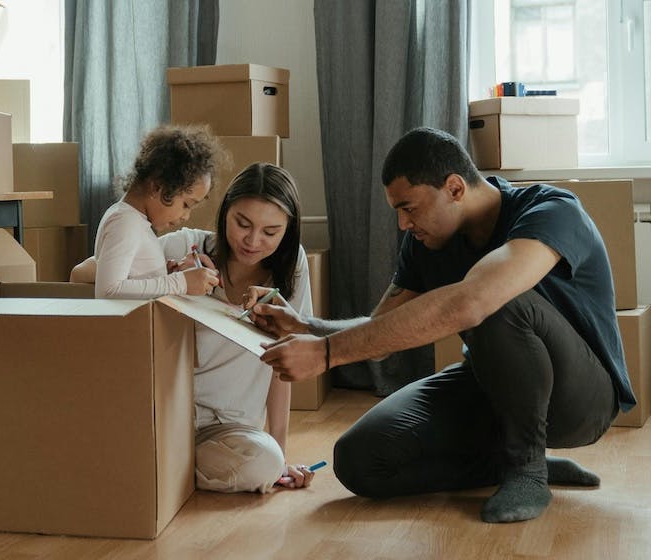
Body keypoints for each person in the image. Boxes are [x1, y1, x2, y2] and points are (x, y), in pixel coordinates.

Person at [247, 127, 635, 522]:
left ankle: (527, 470)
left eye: (409, 208)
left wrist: (327, 355)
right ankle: (505, 462)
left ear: (454, 188)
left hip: (581, 400)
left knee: (497, 299)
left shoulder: (552, 210)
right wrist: (307, 328)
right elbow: (381, 331)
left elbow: (476, 300)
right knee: (359, 460)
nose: (402, 224)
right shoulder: (426, 242)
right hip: (490, 386)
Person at [74, 162, 319, 492]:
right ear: (225, 212)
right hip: (166, 414)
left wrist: (280, 453)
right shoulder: (186, 246)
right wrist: (171, 277)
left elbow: (283, 364)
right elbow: (82, 274)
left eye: (270, 232)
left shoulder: (293, 269)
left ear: (288, 231)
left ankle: (157, 467)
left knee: (265, 463)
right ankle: (160, 465)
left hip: (229, 429)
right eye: (242, 223)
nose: (252, 240)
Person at [92, 124, 221, 299]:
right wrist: (180, 282)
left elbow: (133, 281)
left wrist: (162, 274)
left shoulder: (136, 222)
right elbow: (108, 291)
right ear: (157, 186)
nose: (186, 216)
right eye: (186, 205)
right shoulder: (125, 222)